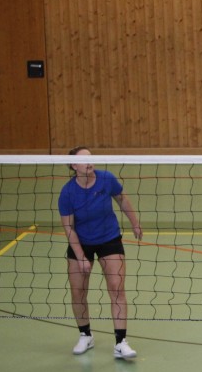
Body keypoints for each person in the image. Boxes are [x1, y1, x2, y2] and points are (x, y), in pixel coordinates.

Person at [58, 147, 143, 359]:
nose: (89, 162)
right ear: (73, 166)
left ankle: (121, 342)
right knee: (78, 292)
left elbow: (122, 199)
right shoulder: (67, 193)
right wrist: (80, 257)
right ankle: (85, 335)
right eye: (83, 159)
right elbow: (69, 228)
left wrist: (135, 223)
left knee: (116, 288)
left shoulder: (106, 179)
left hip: (109, 238)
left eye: (91, 157)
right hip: (81, 242)